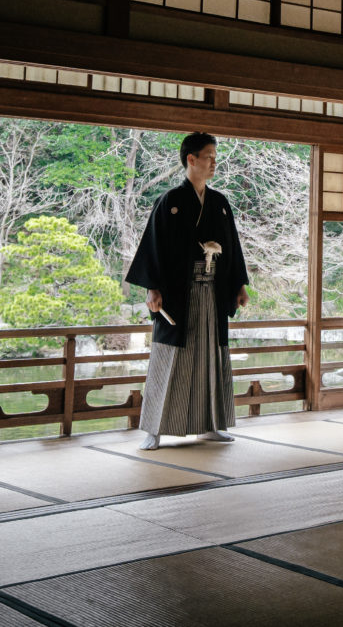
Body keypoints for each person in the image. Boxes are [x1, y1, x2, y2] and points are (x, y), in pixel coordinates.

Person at [125, 132, 250, 450]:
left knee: (212, 355)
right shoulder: (170, 202)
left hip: (212, 292)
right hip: (178, 293)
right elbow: (153, 248)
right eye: (208, 155)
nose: (213, 162)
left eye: (214, 156)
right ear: (191, 159)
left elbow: (232, 248)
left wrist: (238, 285)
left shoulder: (219, 203)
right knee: (169, 357)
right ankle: (153, 429)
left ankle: (210, 424)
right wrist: (153, 288)